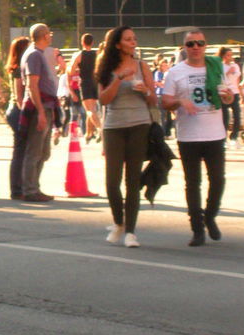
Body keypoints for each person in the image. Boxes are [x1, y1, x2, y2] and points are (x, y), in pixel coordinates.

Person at [160, 29, 229, 246]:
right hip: (189, 135)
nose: (196, 47)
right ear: (185, 48)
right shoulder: (176, 72)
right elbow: (165, 101)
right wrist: (181, 102)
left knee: (218, 179)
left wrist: (228, 97)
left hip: (215, 133)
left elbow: (228, 95)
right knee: (193, 183)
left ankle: (209, 215)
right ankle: (197, 228)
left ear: (206, 45)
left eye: (199, 43)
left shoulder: (216, 67)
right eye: (191, 44)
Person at [96, 25, 155, 248]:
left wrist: (145, 92)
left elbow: (153, 100)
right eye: (128, 39)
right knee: (112, 182)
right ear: (118, 44)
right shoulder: (105, 66)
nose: (133, 42)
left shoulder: (142, 65)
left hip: (139, 124)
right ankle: (118, 222)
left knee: (133, 181)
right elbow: (103, 99)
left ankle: (131, 231)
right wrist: (119, 78)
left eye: (134, 39)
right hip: (114, 126)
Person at [19, 23, 59, 204]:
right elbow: (32, 84)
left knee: (43, 152)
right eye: (48, 33)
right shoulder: (34, 55)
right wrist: (41, 112)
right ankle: (30, 189)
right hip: (39, 106)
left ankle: (34, 186)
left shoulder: (38, 54)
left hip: (47, 105)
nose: (50, 35)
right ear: (43, 35)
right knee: (35, 150)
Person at [5, 35, 31, 200]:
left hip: (17, 111)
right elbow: (19, 96)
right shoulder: (17, 69)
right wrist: (26, 115)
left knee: (22, 150)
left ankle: (21, 186)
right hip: (18, 112)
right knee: (20, 151)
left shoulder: (21, 67)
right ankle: (16, 189)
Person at [69, 33, 101, 142]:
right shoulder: (97, 53)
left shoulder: (79, 55)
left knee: (89, 110)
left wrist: (75, 69)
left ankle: (100, 129)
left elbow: (72, 71)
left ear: (82, 42)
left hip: (85, 82)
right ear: (92, 42)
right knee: (92, 108)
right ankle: (88, 133)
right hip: (95, 82)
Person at [217, 46, 242, 144]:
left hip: (234, 92)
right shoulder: (220, 66)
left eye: (231, 55)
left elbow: (237, 79)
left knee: (237, 115)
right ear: (223, 56)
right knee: (225, 116)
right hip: (224, 92)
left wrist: (241, 92)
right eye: (228, 55)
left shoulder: (235, 66)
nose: (230, 57)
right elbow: (219, 78)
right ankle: (223, 137)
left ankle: (234, 136)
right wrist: (227, 72)